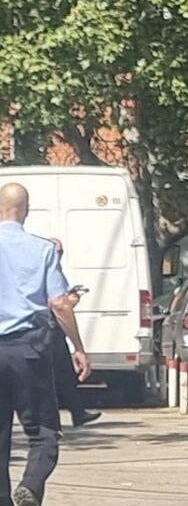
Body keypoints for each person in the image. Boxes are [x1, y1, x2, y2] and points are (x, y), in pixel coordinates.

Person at [0, 183, 91, 506]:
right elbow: (60, 304)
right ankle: (31, 485)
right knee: (43, 431)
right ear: (25, 210)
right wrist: (78, 348)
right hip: (28, 350)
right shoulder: (43, 250)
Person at [47, 239, 100, 428]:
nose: (59, 255)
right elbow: (58, 304)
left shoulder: (52, 269)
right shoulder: (48, 269)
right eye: (57, 251)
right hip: (49, 329)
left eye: (61, 252)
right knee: (53, 376)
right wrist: (70, 301)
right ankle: (59, 418)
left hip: (51, 329)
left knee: (64, 375)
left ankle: (77, 412)